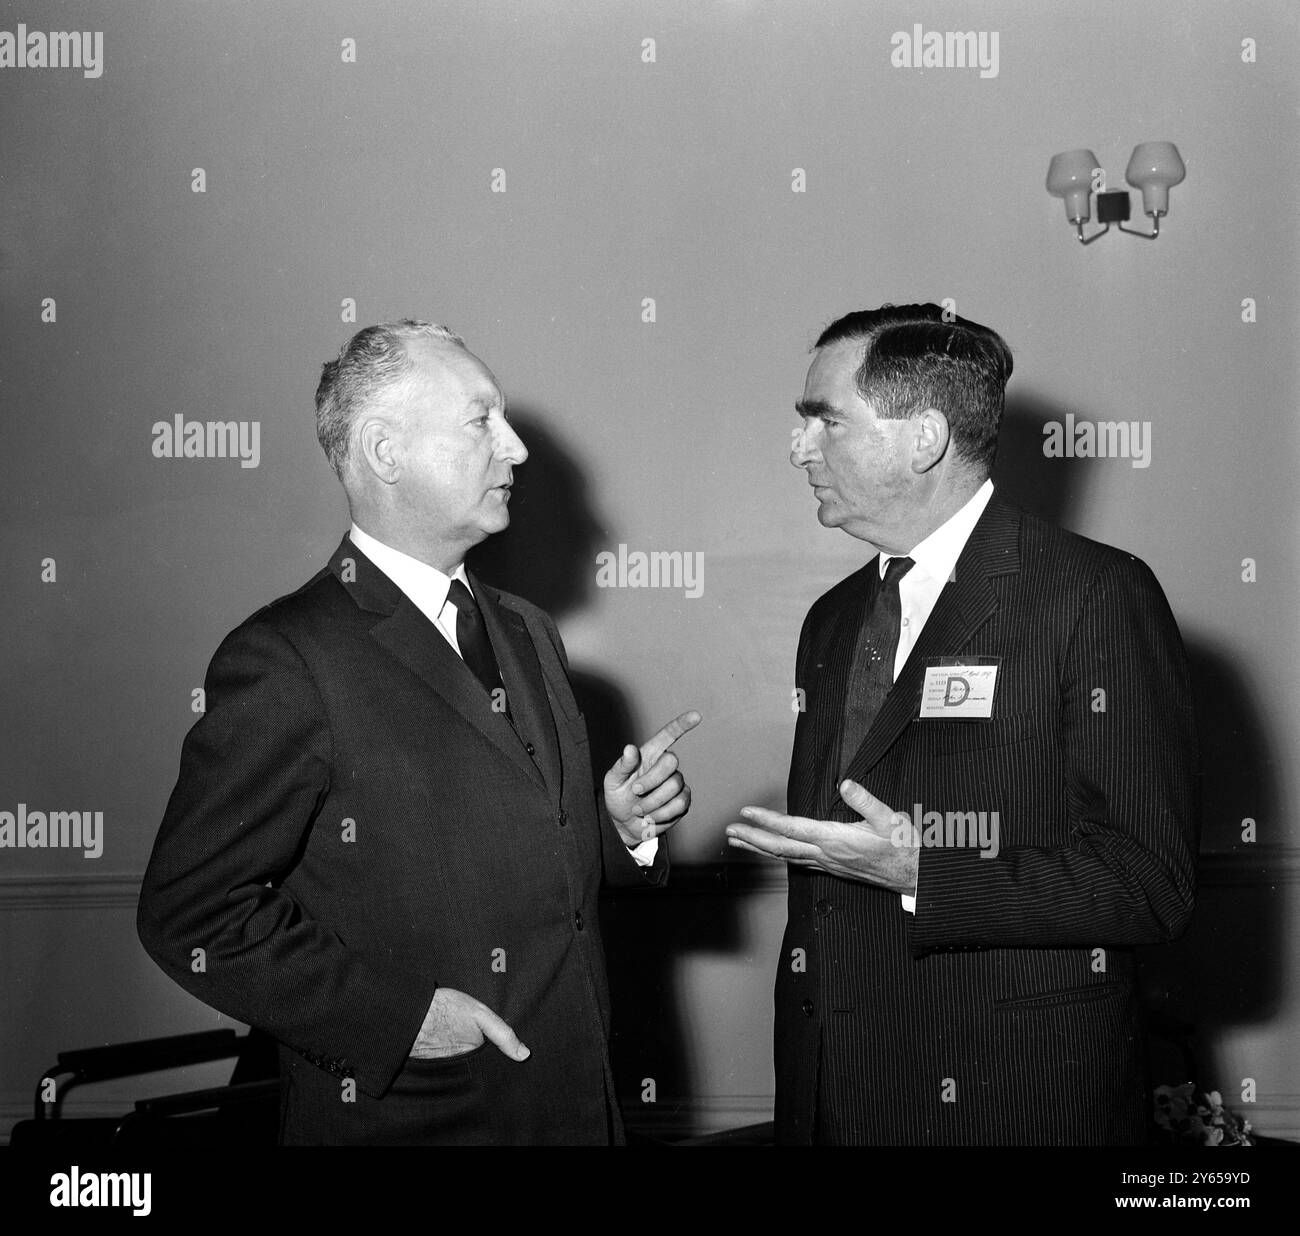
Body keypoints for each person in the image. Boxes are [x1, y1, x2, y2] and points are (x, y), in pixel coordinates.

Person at [137, 319, 699, 1145]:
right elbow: (189, 914)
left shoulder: (526, 630)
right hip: (421, 1121)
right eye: (480, 420)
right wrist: (399, 1021)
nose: (515, 448)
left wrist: (616, 830)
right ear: (384, 450)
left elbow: (526, 859)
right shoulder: (286, 656)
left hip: (576, 1108)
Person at [727, 304, 1198, 1145]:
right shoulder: (831, 620)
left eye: (825, 421)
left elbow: (1149, 883)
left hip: (1011, 1098)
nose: (799, 448)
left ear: (925, 439)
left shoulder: (1093, 595)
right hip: (834, 1092)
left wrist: (923, 873)